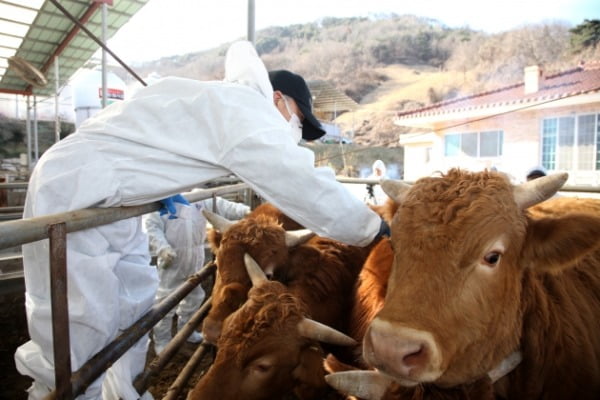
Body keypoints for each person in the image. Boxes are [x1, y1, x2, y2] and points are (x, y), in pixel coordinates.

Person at [15, 40, 388, 400]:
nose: (296, 131)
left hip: (116, 195)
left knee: (132, 300)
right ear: (277, 99)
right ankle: (62, 393)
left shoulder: (216, 100)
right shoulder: (245, 113)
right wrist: (375, 228)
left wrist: (154, 185)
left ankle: (122, 393)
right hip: (76, 187)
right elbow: (304, 185)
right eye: (298, 118)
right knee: (77, 320)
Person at [144, 196, 250, 354]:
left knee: (194, 298)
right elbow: (152, 227)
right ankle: (163, 341)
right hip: (172, 262)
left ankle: (186, 332)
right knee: (166, 302)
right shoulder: (162, 201)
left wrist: (245, 211)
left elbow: (222, 205)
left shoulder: (199, 197)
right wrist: (162, 248)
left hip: (195, 258)